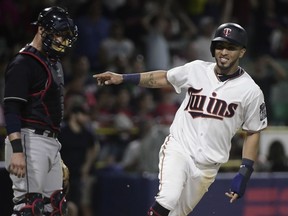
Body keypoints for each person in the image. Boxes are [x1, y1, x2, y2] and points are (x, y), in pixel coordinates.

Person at [93, 23, 268, 216]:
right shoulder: (196, 70)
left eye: (231, 47)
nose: (224, 52)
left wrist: (245, 171)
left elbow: (253, 131)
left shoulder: (250, 90)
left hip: (207, 166)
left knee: (175, 214)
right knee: (168, 198)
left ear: (241, 52)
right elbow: (164, 78)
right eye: (220, 46)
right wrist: (123, 78)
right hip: (180, 148)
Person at [3, 6, 78, 215]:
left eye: (65, 37)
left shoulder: (53, 63)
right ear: (42, 30)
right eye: (59, 35)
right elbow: (11, 109)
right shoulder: (23, 62)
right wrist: (17, 151)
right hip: (28, 139)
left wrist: (55, 152)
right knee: (28, 208)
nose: (62, 41)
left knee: (54, 207)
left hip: (49, 141)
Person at [58, 98, 100, 216]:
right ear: (74, 114)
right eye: (83, 114)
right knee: (63, 205)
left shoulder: (86, 133)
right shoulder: (63, 132)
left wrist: (87, 165)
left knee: (80, 205)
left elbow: (94, 148)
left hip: (79, 175)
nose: (86, 118)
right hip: (63, 175)